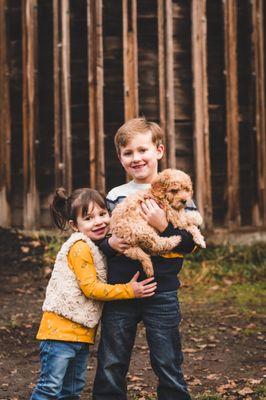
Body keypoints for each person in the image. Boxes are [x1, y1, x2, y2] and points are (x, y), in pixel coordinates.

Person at [93, 117, 198, 400]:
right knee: (112, 359)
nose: (136, 158)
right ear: (120, 158)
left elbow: (189, 243)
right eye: (128, 153)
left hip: (161, 291)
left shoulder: (178, 191)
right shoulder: (116, 196)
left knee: (167, 359)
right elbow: (99, 235)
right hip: (121, 290)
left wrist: (163, 224)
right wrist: (110, 243)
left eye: (143, 150)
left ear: (159, 151)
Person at [30, 187, 157, 400]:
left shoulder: (97, 246)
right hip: (59, 333)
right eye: (88, 218)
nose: (98, 221)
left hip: (81, 334)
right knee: (49, 388)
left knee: (72, 390)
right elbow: (91, 289)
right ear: (74, 225)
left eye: (102, 214)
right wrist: (129, 290)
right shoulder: (79, 247)